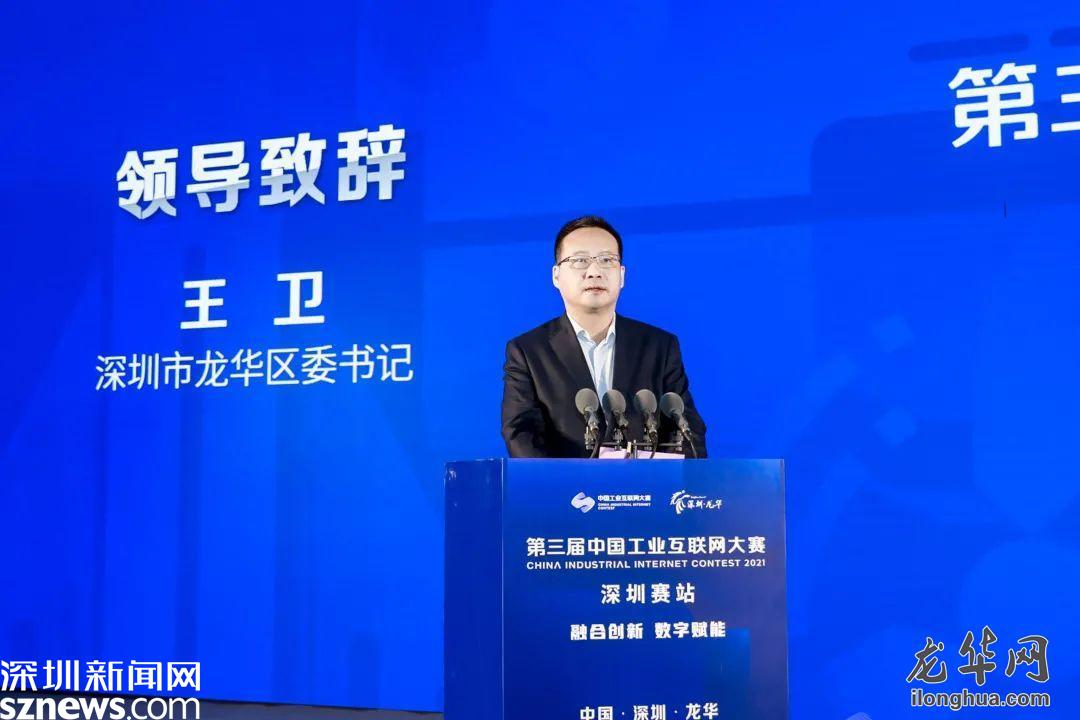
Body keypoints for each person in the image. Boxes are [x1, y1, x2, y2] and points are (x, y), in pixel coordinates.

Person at [501, 215, 708, 458]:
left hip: (645, 483)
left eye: (607, 260)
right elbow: (521, 435)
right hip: (565, 484)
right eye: (580, 260)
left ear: (622, 275)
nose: (594, 272)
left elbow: (687, 430)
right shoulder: (528, 351)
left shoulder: (659, 346)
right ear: (556, 276)